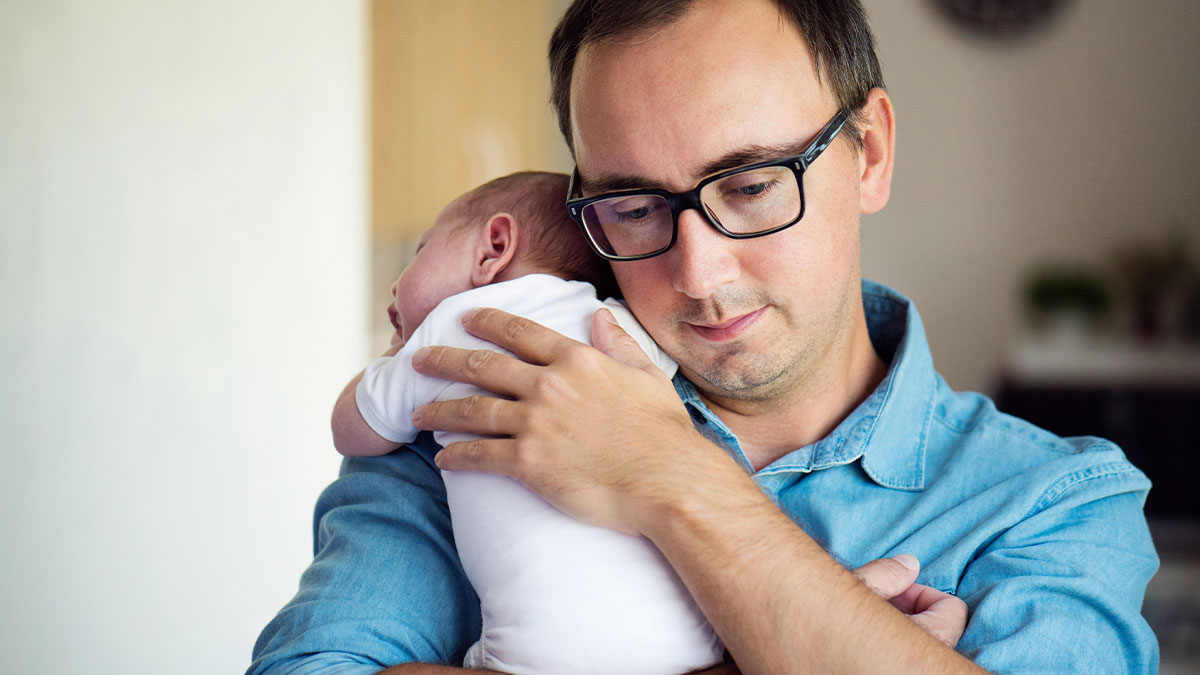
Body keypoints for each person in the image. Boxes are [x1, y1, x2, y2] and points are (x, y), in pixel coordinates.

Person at [250, 1, 1159, 673]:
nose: (699, 271)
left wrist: (671, 478)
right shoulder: (486, 401)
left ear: (870, 152)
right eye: (635, 206)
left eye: (754, 185)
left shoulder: (1052, 503)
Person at [329, 170, 724, 674]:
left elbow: (352, 430)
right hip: (693, 645)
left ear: (493, 247)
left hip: (542, 656)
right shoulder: (620, 327)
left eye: (419, 253)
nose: (396, 282)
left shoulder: (450, 327)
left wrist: (391, 360)